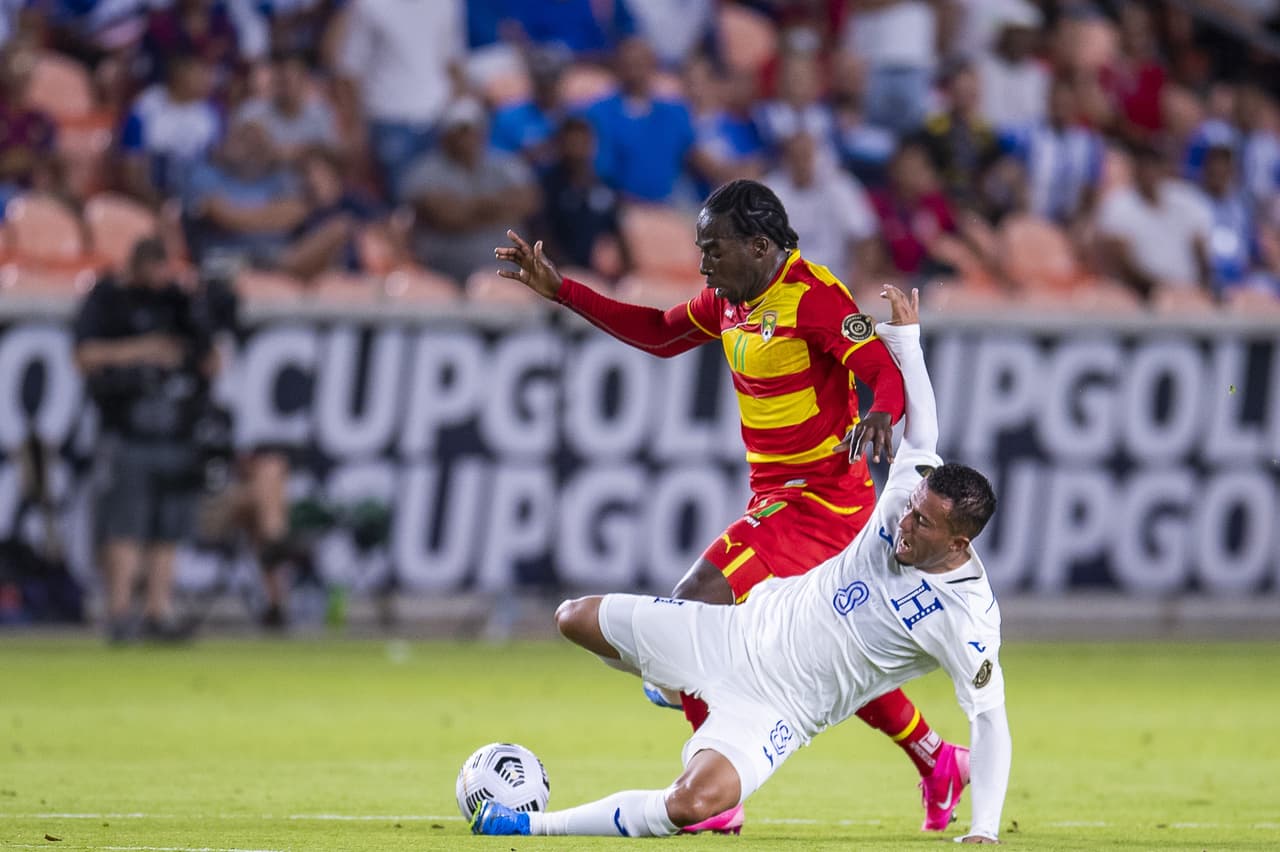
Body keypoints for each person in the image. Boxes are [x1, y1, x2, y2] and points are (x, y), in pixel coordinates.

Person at [495, 179, 969, 834]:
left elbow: (883, 366)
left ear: (759, 244)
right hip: (778, 499)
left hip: (821, 502)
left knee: (694, 604)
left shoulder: (815, 297)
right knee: (813, 651)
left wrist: (883, 414)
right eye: (700, 249)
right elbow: (661, 333)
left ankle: (717, 796)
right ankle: (937, 757)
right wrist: (563, 290)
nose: (704, 263)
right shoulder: (729, 299)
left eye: (714, 249)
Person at [73, 237, 218, 643]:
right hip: (127, 429)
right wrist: (145, 350)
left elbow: (209, 359)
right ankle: (119, 612)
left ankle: (158, 610)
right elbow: (85, 355)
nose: (159, 279)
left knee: (168, 526)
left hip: (175, 429)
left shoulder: (177, 302)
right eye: (153, 269)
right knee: (125, 524)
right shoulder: (107, 298)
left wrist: (200, 312)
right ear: (136, 266)